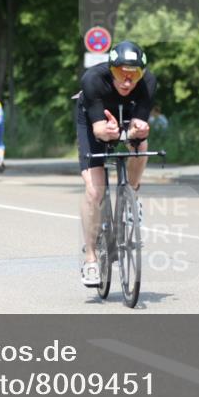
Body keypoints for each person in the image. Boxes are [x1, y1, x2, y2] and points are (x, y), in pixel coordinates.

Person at [74, 40, 157, 287]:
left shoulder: (148, 83)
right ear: (111, 69)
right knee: (94, 191)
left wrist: (138, 128)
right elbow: (99, 131)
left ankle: (131, 195)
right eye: (121, 74)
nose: (127, 81)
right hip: (93, 121)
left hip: (125, 115)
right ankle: (90, 258)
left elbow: (137, 126)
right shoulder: (93, 80)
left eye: (134, 75)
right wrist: (108, 131)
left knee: (141, 145)